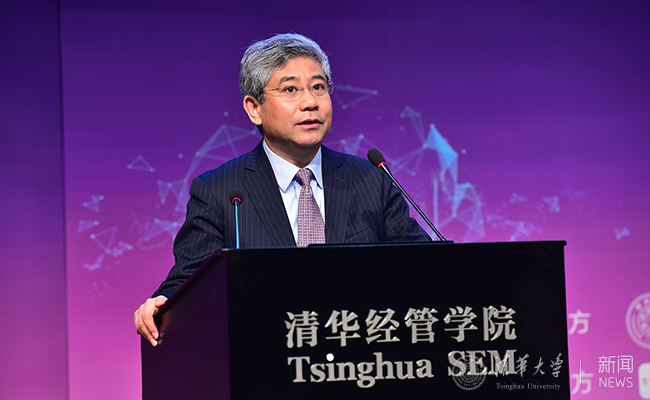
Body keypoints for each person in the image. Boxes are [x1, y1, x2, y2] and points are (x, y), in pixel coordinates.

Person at [134, 33, 431, 346]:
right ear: (254, 108)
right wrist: (162, 304)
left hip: (359, 358)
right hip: (266, 354)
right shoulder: (220, 191)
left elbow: (425, 268)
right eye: (291, 89)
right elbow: (188, 283)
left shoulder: (371, 180)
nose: (310, 102)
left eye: (318, 87)